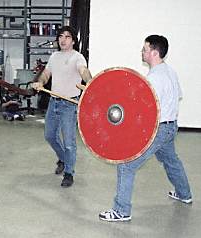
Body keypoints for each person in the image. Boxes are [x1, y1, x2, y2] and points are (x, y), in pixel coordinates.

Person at [99, 35, 193, 222]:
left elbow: (144, 110)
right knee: (171, 160)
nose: (142, 52)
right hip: (171, 126)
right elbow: (176, 96)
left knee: (126, 164)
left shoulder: (155, 78)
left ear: (154, 53)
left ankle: (121, 210)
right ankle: (184, 194)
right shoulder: (169, 71)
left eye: (145, 49)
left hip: (158, 130)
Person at [32, 26, 92, 187]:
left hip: (69, 104)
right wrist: (41, 82)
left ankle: (69, 173)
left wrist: (90, 82)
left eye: (67, 37)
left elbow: (83, 71)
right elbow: (46, 73)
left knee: (69, 142)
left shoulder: (77, 57)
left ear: (73, 41)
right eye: (60, 36)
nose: (63, 40)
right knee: (50, 135)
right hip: (54, 102)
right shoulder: (54, 56)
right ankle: (64, 159)